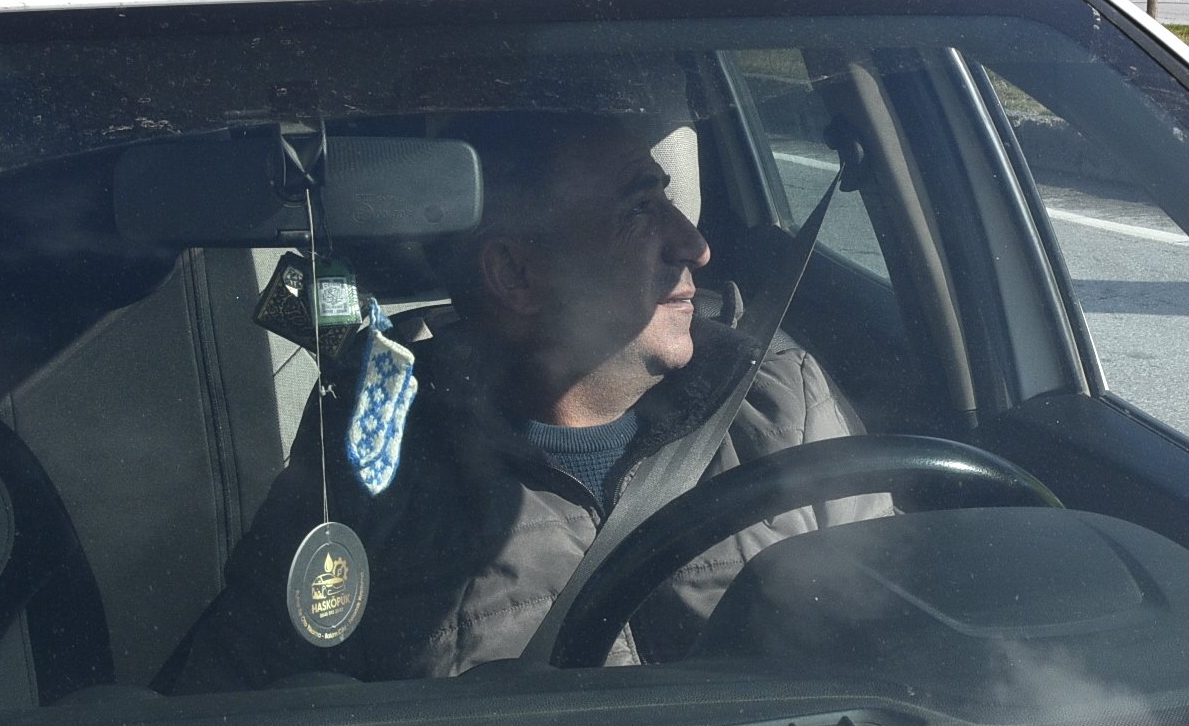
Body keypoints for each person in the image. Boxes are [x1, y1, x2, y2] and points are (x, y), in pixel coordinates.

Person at [163, 111, 871, 689]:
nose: (694, 245)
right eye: (638, 210)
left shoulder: (778, 401)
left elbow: (902, 634)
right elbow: (234, 719)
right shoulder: (372, 478)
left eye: (669, 202)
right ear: (515, 275)